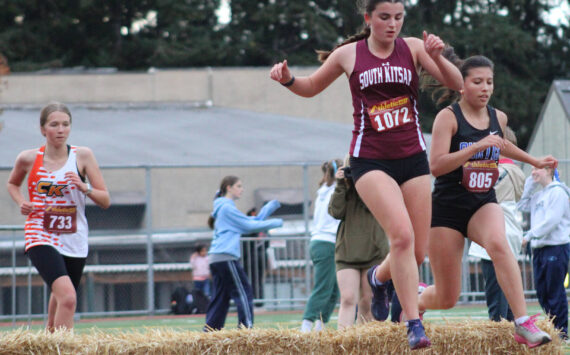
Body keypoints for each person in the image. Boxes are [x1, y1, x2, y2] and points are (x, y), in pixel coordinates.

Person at [271, 0, 462, 348]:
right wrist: (288, 80)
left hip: (413, 158)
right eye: (385, 17)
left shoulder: (414, 48)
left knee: (418, 252)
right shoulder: (349, 54)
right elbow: (311, 86)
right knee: (401, 237)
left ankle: (377, 277)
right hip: (370, 160)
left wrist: (438, 56)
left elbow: (457, 84)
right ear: (368, 18)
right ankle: (413, 323)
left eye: (399, 18)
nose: (392, 25)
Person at [417, 54, 556, 349]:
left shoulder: (498, 117)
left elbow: (503, 144)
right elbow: (436, 166)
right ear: (462, 86)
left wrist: (534, 160)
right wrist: (476, 147)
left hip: (483, 201)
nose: (485, 88)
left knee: (499, 244)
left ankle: (522, 323)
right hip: (448, 207)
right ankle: (418, 300)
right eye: (477, 82)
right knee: (447, 297)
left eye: (489, 82)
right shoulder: (448, 117)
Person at [6, 102, 110, 331]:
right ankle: (64, 348)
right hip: (40, 234)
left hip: (74, 236)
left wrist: (86, 189)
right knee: (68, 298)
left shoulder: (82, 156)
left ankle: (50, 340)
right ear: (43, 129)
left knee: (60, 296)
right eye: (54, 125)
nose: (60, 129)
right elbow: (13, 183)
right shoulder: (28, 158)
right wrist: (22, 202)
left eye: (65, 124)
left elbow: (105, 200)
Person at [204, 176, 283, 331]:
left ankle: (210, 331)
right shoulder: (227, 208)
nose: (242, 189)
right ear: (228, 187)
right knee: (244, 292)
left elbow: (250, 221)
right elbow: (248, 226)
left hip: (217, 258)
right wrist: (277, 223)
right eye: (239, 186)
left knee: (221, 297)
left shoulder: (224, 207)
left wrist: (269, 208)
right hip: (225, 257)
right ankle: (246, 330)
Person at [467, 126, 525, 322]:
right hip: (507, 232)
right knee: (506, 291)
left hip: (496, 233)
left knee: (496, 292)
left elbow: (477, 194)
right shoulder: (515, 170)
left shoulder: (501, 171)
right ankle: (510, 334)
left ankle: (500, 334)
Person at [329, 155, 389, 329]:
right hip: (347, 251)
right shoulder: (344, 190)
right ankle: (343, 344)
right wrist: (341, 184)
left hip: (374, 250)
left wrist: (369, 179)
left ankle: (364, 343)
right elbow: (335, 212)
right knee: (347, 298)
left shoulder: (378, 185)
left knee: (368, 301)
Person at [517, 166, 570, 340]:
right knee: (542, 291)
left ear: (549, 170)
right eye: (532, 168)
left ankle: (561, 331)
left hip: (555, 246)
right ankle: (552, 326)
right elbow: (522, 204)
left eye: (537, 168)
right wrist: (530, 184)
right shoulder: (539, 195)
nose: (533, 172)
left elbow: (552, 221)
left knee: (554, 290)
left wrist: (529, 235)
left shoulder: (558, 193)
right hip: (539, 248)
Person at [300, 160, 341, 332]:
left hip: (323, 242)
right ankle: (306, 325)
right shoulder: (334, 192)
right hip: (326, 243)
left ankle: (319, 325)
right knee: (323, 287)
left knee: (334, 291)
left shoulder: (323, 191)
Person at [242, 207, 270, 307]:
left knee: (254, 279)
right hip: (255, 256)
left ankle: (256, 301)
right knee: (254, 279)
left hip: (254, 257)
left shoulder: (252, 226)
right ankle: (256, 301)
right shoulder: (261, 226)